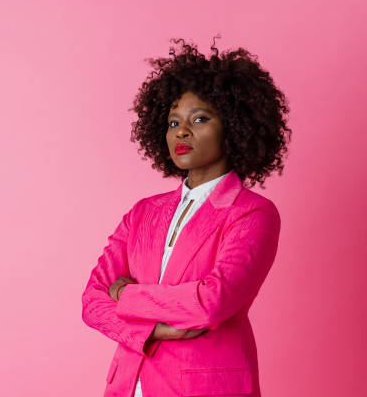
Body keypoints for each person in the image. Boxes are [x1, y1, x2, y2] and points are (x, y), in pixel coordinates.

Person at [81, 36, 292, 397]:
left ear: (234, 126)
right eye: (172, 122)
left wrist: (126, 294)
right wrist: (154, 330)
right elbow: (92, 300)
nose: (181, 131)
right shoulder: (142, 213)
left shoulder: (252, 213)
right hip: (129, 386)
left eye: (200, 118)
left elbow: (211, 302)